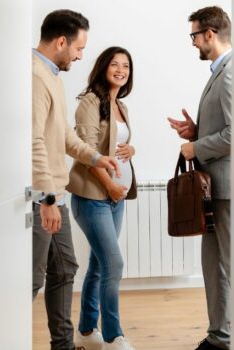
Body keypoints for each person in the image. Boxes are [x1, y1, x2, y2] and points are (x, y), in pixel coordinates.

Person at [32, 9, 120, 350]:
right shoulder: (35, 77)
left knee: (65, 269)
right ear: (60, 42)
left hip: (56, 196)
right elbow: (34, 142)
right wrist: (47, 198)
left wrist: (96, 157)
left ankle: (63, 346)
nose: (81, 56)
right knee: (31, 280)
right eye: (79, 48)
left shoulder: (52, 76)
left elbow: (64, 135)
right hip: (43, 199)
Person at [167, 6, 233, 350]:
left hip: (227, 189)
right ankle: (220, 337)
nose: (192, 42)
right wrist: (196, 131)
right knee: (213, 266)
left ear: (209, 33)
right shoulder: (220, 71)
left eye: (194, 35)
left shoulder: (232, 72)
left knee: (230, 267)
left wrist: (197, 147)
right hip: (215, 190)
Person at [67, 46, 138, 350]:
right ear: (103, 67)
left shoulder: (120, 105)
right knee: (114, 264)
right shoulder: (90, 102)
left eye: (126, 66)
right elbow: (86, 151)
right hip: (92, 197)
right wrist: (109, 185)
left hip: (115, 198)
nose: (121, 70)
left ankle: (86, 331)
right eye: (115, 64)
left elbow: (117, 145)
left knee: (99, 265)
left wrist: (132, 149)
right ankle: (113, 336)